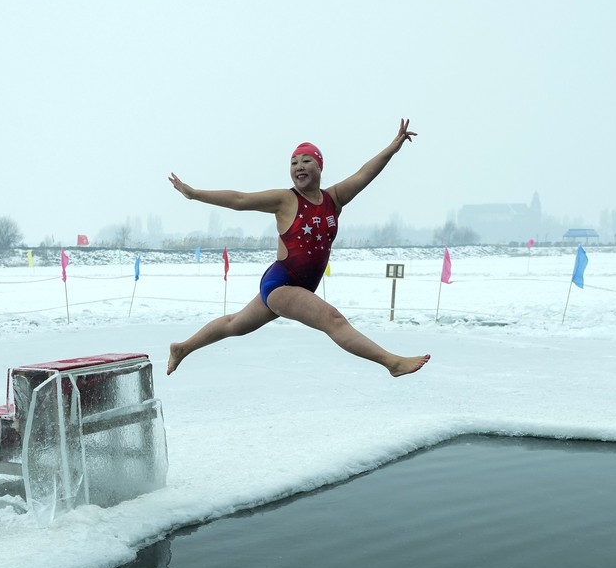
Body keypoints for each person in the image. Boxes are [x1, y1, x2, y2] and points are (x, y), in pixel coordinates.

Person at [165, 120, 430, 378]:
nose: (299, 166)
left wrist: (392, 148)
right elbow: (239, 199)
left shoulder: (333, 199)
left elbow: (364, 173)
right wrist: (194, 193)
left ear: (320, 166)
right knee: (333, 319)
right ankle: (391, 363)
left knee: (235, 325)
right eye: (294, 162)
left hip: (300, 287)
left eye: (306, 161)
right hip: (280, 285)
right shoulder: (286, 200)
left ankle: (182, 348)